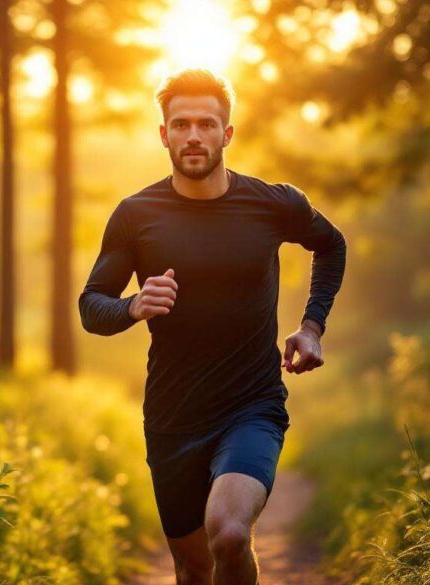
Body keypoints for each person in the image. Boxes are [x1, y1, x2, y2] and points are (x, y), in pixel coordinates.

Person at [78, 68, 346, 585]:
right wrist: (133, 306)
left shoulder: (273, 203)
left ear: (227, 133)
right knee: (194, 567)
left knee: (227, 531)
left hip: (253, 406)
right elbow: (92, 306)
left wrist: (312, 326)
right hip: (172, 417)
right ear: (163, 135)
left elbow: (331, 245)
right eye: (181, 125)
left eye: (206, 123)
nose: (193, 135)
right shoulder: (136, 215)